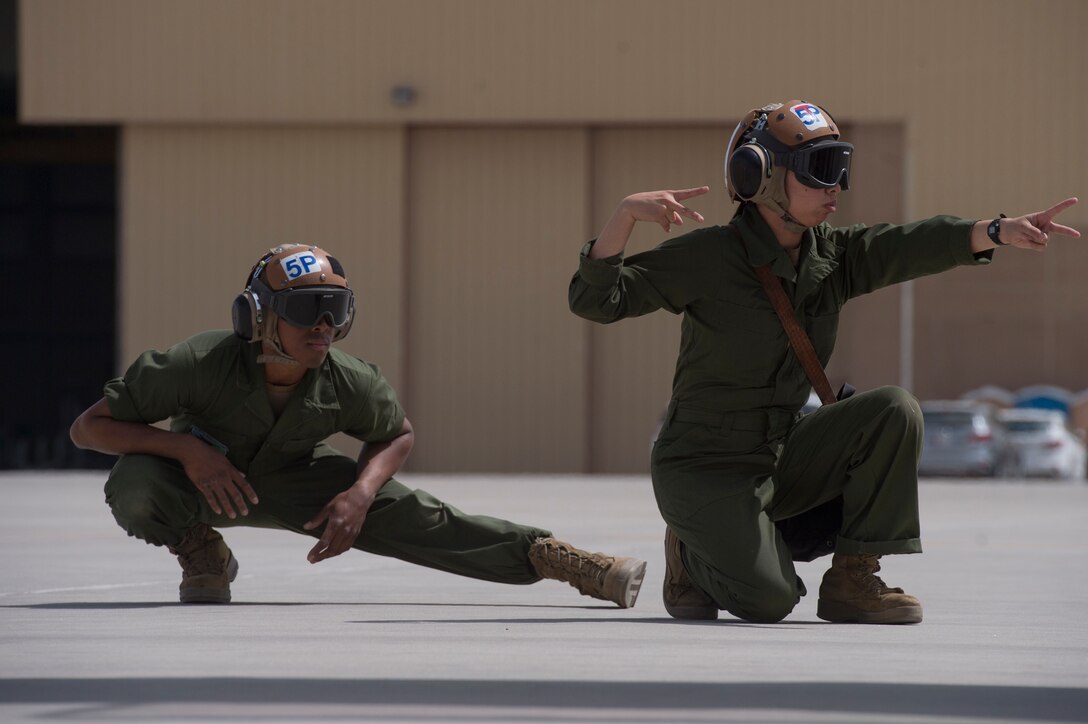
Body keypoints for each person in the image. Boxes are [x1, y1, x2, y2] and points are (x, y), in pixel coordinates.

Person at [568, 100, 1080, 624]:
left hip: (782, 453)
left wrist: (996, 230)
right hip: (704, 465)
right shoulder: (710, 256)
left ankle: (852, 580)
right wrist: (625, 216)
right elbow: (597, 301)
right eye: (818, 170)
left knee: (893, 410)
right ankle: (691, 555)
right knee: (770, 601)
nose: (834, 185)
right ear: (759, 175)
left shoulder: (832, 257)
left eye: (840, 167)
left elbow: (911, 244)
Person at [70, 244, 646, 607]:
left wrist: (360, 495)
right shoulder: (196, 363)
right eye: (304, 311)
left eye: (336, 311)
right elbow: (88, 428)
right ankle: (201, 552)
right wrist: (183, 450)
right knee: (136, 482)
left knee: (427, 518)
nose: (323, 327)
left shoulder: (347, 378)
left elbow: (396, 432)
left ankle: (561, 562)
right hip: (203, 482)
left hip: (298, 483)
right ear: (257, 316)